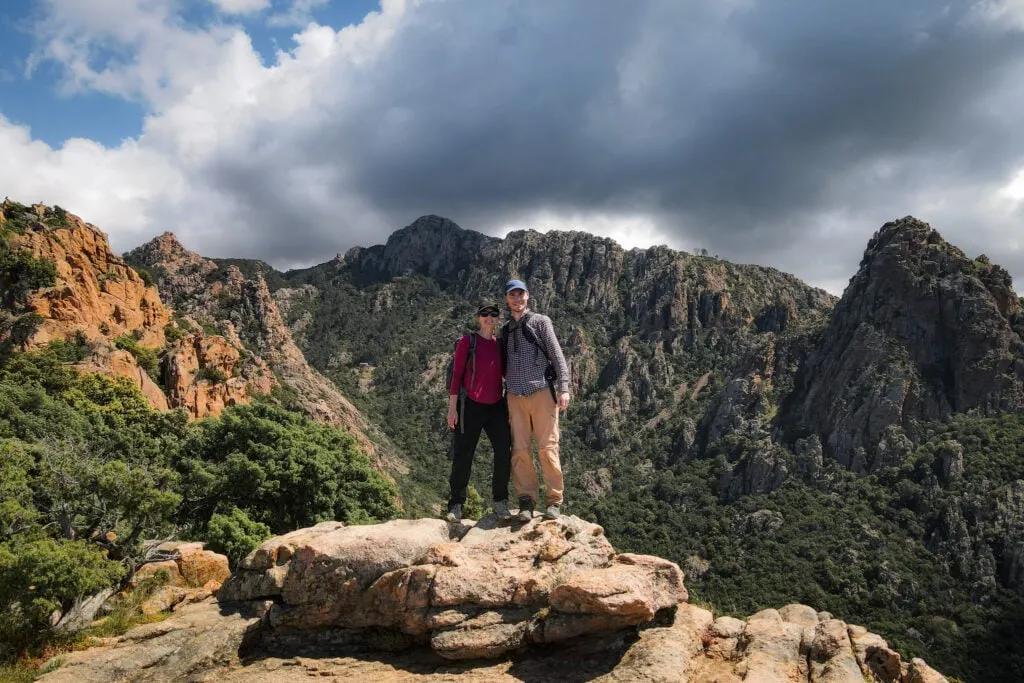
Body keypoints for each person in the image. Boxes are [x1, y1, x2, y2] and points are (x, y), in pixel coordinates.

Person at [500, 279, 571, 522]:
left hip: (541, 392)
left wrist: (563, 388)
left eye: (520, 294)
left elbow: (558, 356)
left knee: (547, 448)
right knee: (520, 450)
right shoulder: (506, 330)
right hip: (515, 396)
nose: (517, 299)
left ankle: (554, 501)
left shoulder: (541, 322)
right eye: (512, 295)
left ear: (527, 296)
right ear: (507, 299)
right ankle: (526, 501)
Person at [445, 300, 513, 523]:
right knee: (464, 455)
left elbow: (505, 373)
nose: (489, 317)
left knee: (504, 451)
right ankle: (456, 504)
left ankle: (500, 500)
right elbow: (456, 377)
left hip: (495, 406)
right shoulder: (468, 342)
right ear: (478, 317)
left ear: (498, 319)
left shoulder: (499, 344)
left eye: (493, 314)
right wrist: (452, 409)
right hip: (470, 406)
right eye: (485, 314)